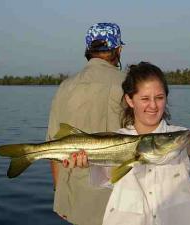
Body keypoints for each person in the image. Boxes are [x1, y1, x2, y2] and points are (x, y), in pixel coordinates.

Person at [66, 62, 190, 225]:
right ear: (130, 99)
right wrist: (88, 162)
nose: (153, 105)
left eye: (159, 98)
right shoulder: (117, 138)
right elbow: (108, 178)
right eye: (145, 98)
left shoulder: (180, 134)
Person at [46, 22, 126, 225]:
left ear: (88, 49)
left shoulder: (65, 87)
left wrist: (60, 194)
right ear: (118, 49)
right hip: (122, 202)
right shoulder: (130, 83)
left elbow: (54, 148)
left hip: (74, 200)